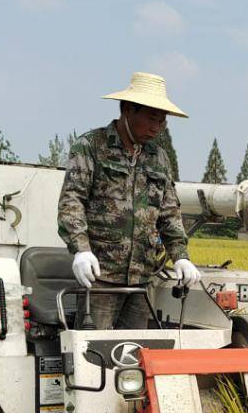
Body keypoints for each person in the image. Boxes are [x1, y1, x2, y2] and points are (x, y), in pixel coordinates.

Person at [56, 72, 200, 329]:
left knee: (132, 356)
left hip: (141, 280)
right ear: (127, 109)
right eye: (152, 119)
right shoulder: (91, 146)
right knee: (93, 354)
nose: (157, 127)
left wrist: (180, 255)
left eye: (163, 121)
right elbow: (72, 200)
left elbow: (168, 212)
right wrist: (81, 250)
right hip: (100, 277)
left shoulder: (158, 158)